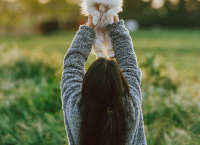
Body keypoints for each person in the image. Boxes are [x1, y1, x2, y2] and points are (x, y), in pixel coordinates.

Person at [61, 15, 147, 145]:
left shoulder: (76, 108)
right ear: (120, 84)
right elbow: (129, 65)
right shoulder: (130, 106)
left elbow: (72, 65)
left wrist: (88, 28)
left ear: (87, 84)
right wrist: (116, 27)